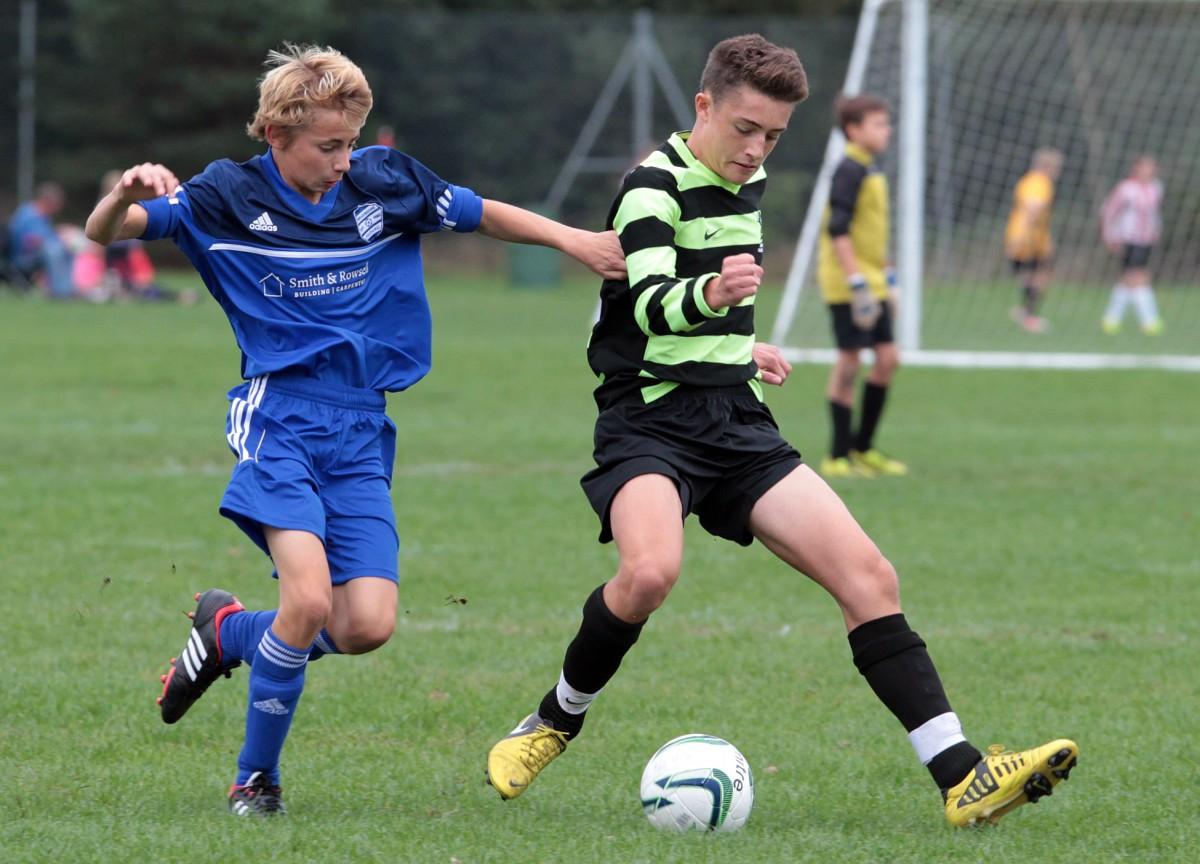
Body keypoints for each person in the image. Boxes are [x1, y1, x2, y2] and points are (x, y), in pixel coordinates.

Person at [484, 33, 1078, 829]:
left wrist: (740, 346)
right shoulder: (649, 188)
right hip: (648, 421)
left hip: (733, 417)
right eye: (744, 129)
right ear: (704, 106)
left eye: (772, 136)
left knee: (870, 576)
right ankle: (554, 720)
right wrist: (717, 302)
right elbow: (652, 302)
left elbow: (705, 305)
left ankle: (962, 776)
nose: (756, 149)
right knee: (651, 573)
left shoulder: (749, 178)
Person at [84, 44, 625, 817]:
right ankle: (255, 782)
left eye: (350, 143)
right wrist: (120, 192)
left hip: (362, 427)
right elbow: (112, 232)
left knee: (366, 623)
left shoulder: (382, 181)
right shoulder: (227, 194)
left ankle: (229, 632)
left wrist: (573, 240)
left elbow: (477, 212)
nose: (344, 162)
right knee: (306, 603)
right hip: (279, 416)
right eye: (328, 146)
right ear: (275, 134)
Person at [816, 94, 906, 479]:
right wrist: (856, 283)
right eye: (878, 124)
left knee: (887, 359)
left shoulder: (870, 169)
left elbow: (872, 235)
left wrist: (889, 279)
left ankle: (864, 447)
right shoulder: (848, 169)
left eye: (887, 123)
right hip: (848, 283)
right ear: (853, 129)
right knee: (850, 360)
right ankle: (837, 456)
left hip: (872, 280)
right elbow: (838, 230)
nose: (886, 130)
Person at [1100, 155, 1164, 335]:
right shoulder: (1126, 188)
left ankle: (1111, 319)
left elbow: (1155, 213)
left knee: (1127, 279)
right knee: (1139, 276)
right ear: (1136, 168)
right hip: (1128, 238)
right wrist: (1109, 235)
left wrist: (1156, 230)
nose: (1149, 170)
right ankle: (1150, 321)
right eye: (1145, 166)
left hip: (1147, 239)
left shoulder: (1156, 188)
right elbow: (1109, 211)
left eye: (1152, 167)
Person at [1004, 148, 1062, 333]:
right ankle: (1029, 317)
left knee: (1033, 277)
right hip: (1028, 238)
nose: (1058, 171)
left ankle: (1024, 312)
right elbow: (1032, 209)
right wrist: (1023, 237)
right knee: (1037, 278)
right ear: (1048, 166)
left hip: (1027, 236)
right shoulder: (1039, 183)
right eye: (1056, 167)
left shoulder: (1029, 180)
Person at [7, 182, 77, 298]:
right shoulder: (28, 214)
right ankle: (60, 293)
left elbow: (46, 237)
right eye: (57, 204)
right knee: (53, 250)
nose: (58, 208)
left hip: (38, 255)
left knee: (67, 251)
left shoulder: (43, 217)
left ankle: (68, 289)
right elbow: (31, 241)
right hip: (22, 258)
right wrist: (58, 238)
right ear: (47, 201)